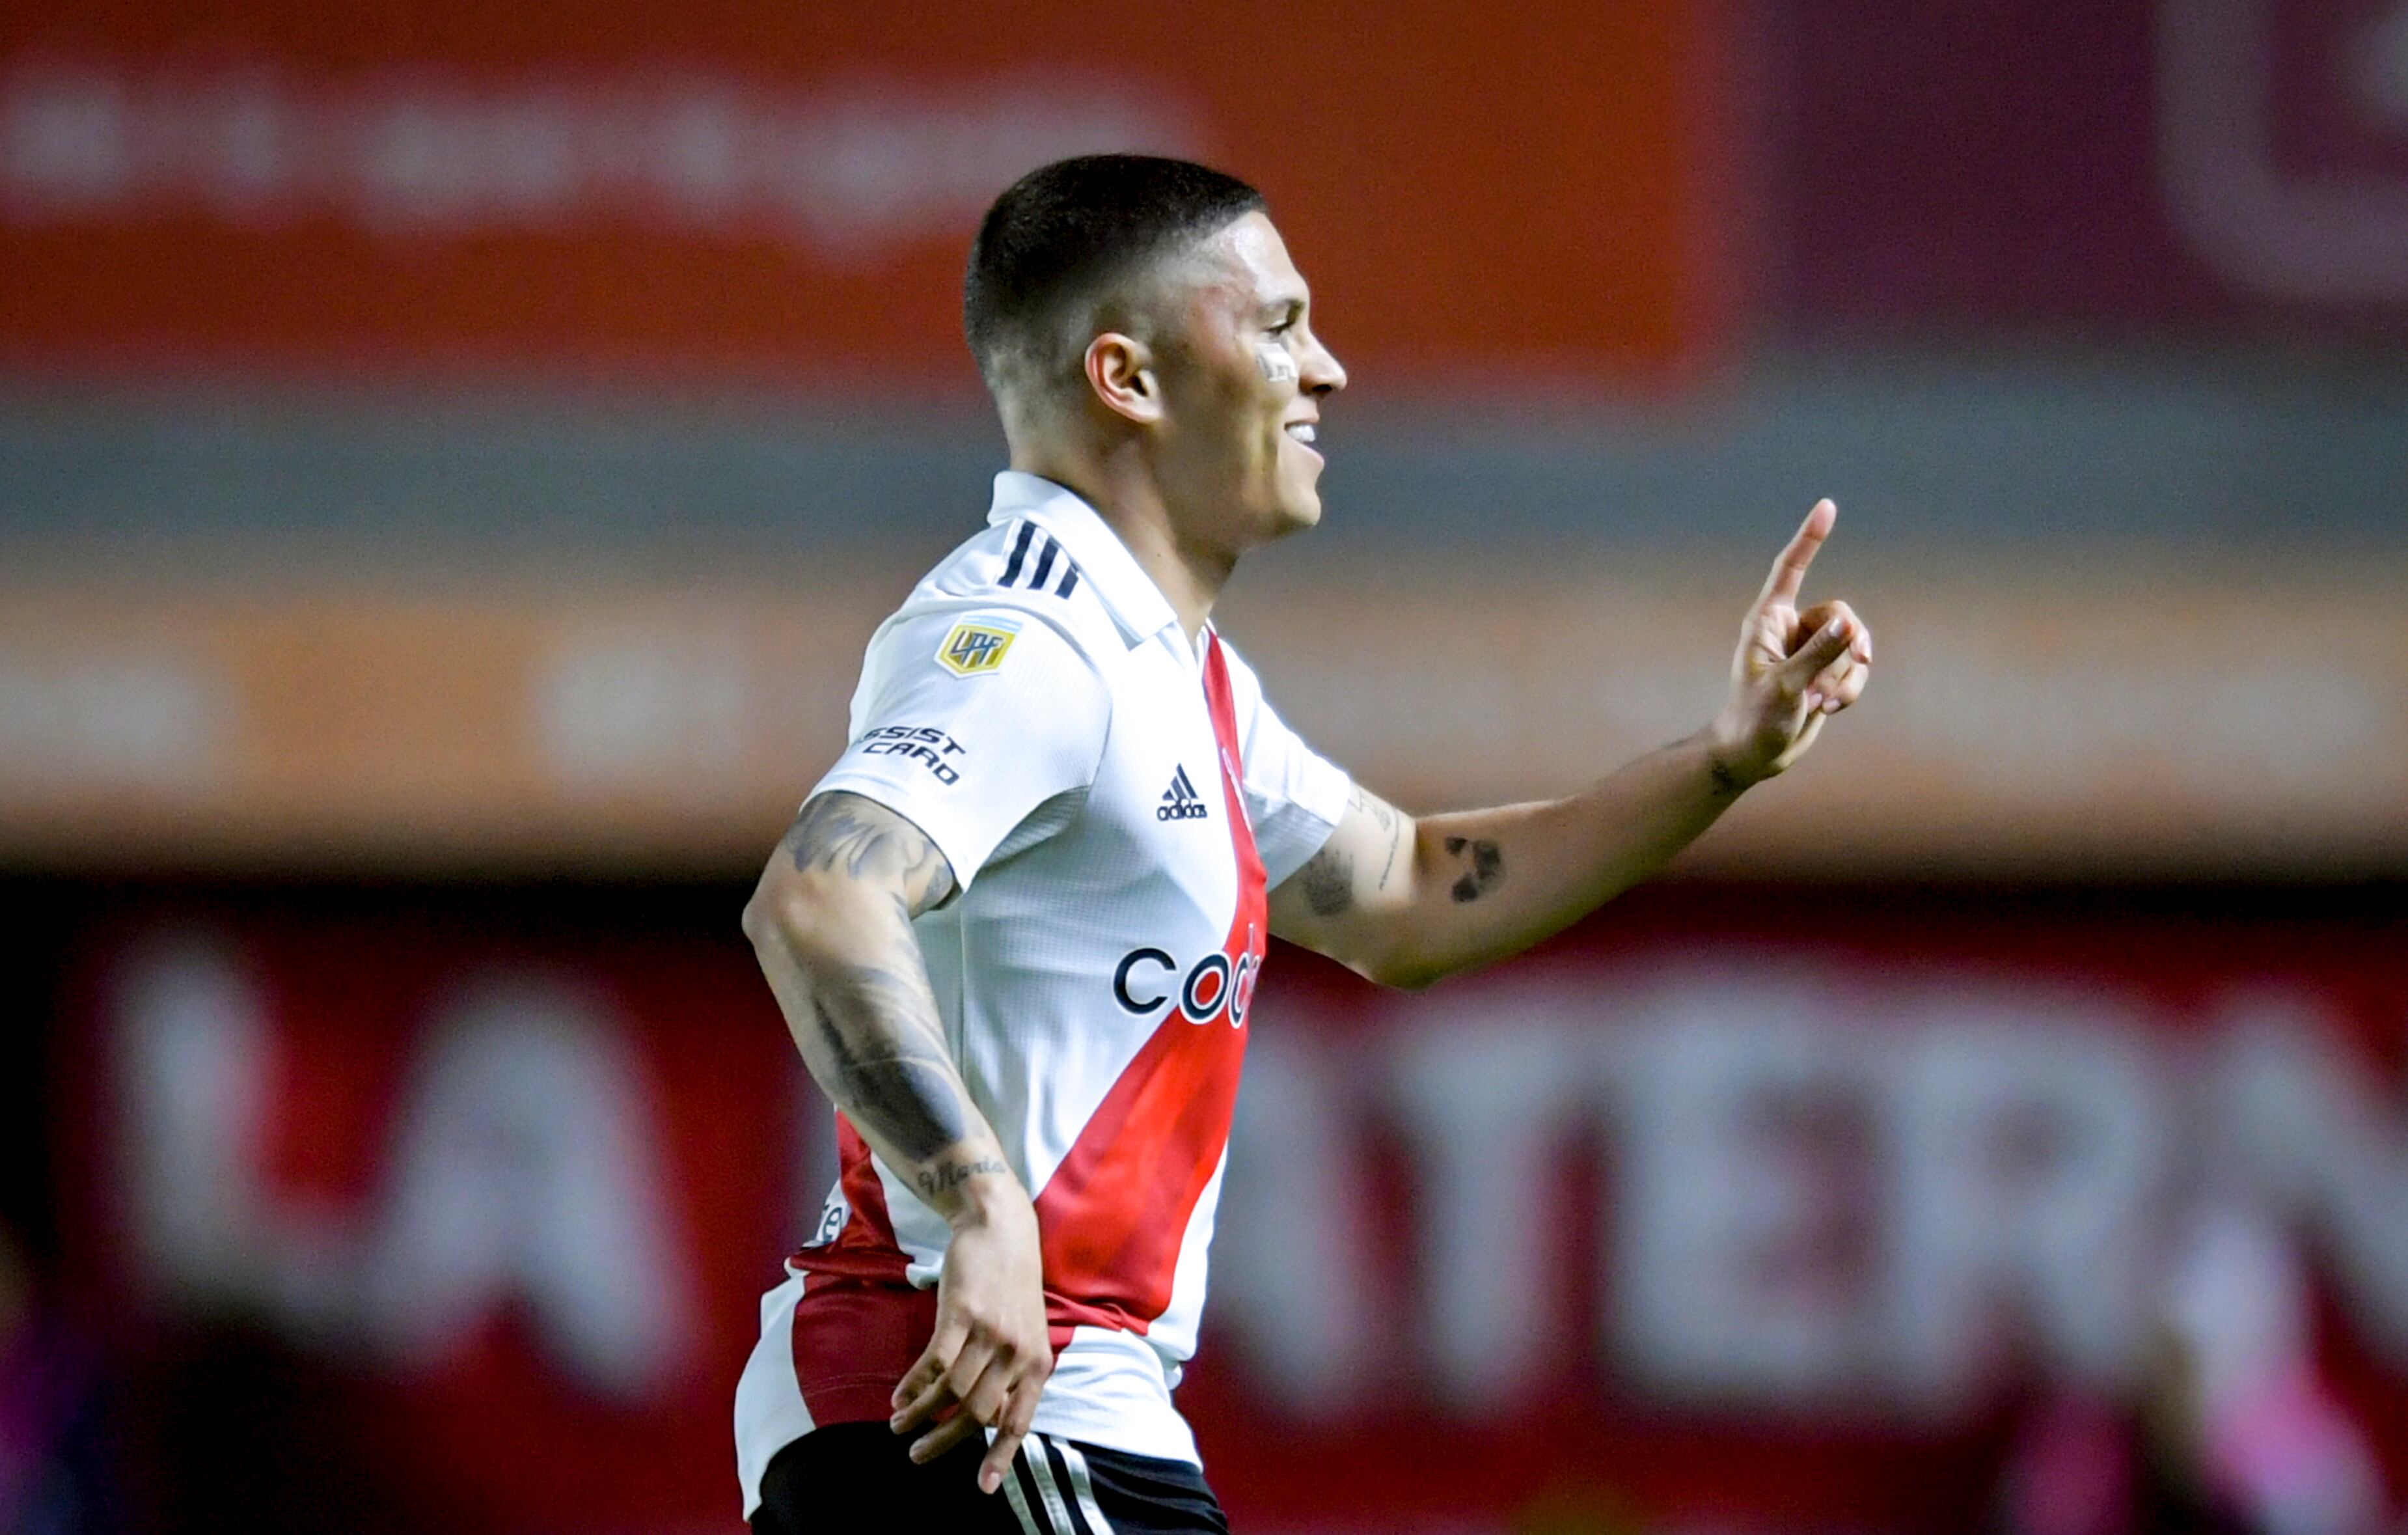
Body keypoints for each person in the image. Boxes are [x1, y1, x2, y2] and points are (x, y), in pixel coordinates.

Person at [733, 154, 1873, 1534]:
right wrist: (980, 1200)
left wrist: (1724, 761)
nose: (1324, 370)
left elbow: (1405, 893)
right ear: (1128, 379)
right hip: (970, 1399)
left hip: (1028, 1407)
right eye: (1275, 325)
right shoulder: (1031, 643)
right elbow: (817, 894)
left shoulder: (1173, 673)